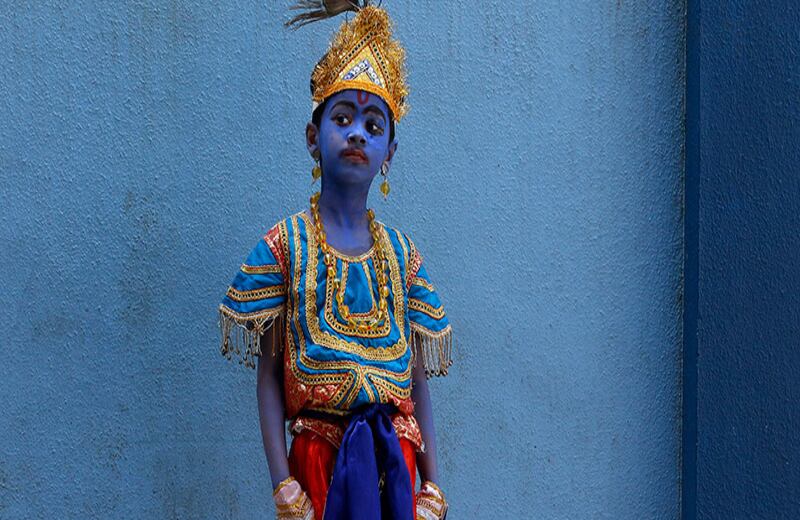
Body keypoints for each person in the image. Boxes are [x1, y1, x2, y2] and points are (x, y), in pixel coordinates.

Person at [218, 2, 453, 518]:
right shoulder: (285, 247)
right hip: (317, 468)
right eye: (342, 117)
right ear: (312, 138)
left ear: (389, 152)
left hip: (396, 465)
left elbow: (416, 378)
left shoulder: (403, 256)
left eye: (374, 125)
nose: (357, 134)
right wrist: (283, 483)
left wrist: (433, 484)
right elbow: (269, 377)